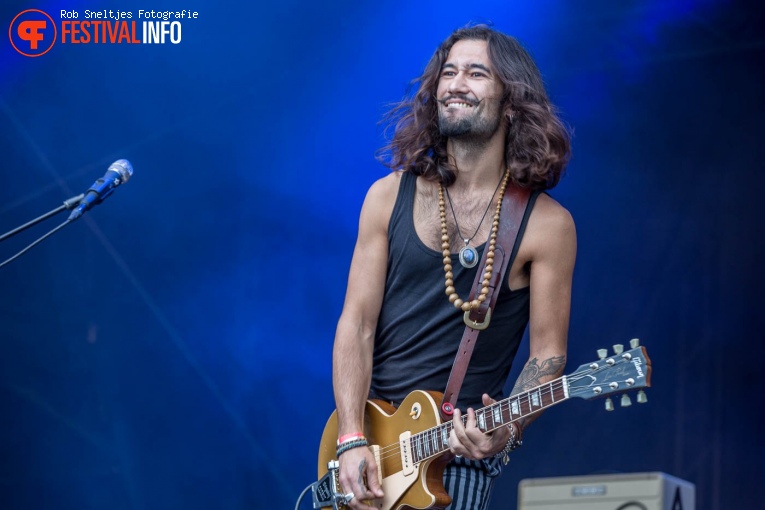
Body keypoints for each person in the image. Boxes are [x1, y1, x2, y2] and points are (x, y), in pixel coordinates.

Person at [331, 24, 576, 510]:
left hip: (456, 458)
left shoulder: (547, 226)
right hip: (371, 449)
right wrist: (351, 437)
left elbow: (547, 357)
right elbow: (355, 324)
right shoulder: (386, 196)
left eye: (476, 73)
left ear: (511, 100)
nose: (456, 84)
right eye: (449, 72)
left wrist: (504, 430)